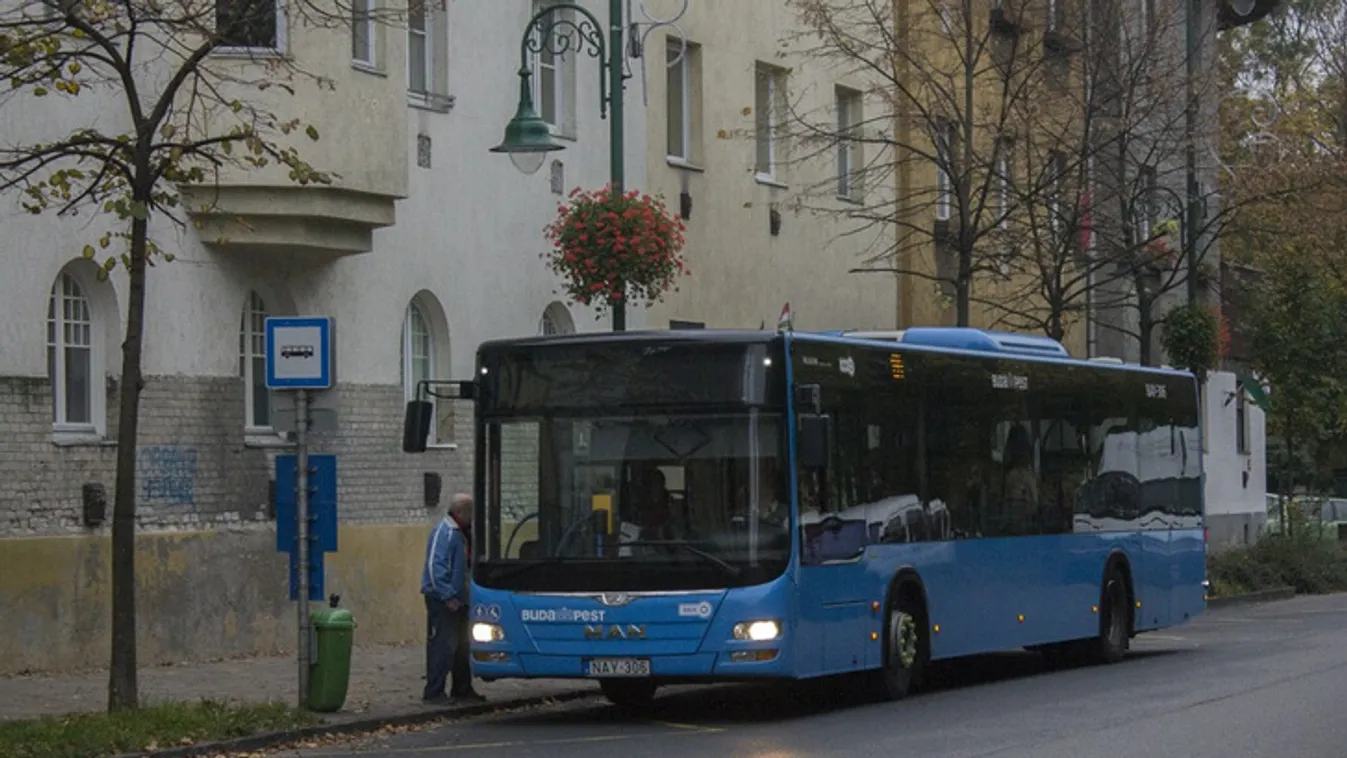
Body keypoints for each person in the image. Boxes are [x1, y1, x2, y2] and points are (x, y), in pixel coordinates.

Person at [420, 493, 484, 704]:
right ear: (460, 512)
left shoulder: (462, 533)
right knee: (443, 645)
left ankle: (462, 687)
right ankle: (434, 691)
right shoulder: (445, 532)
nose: (472, 517)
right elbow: (434, 567)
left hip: (460, 598)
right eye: (470, 512)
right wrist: (447, 595)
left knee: (462, 645)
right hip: (442, 599)